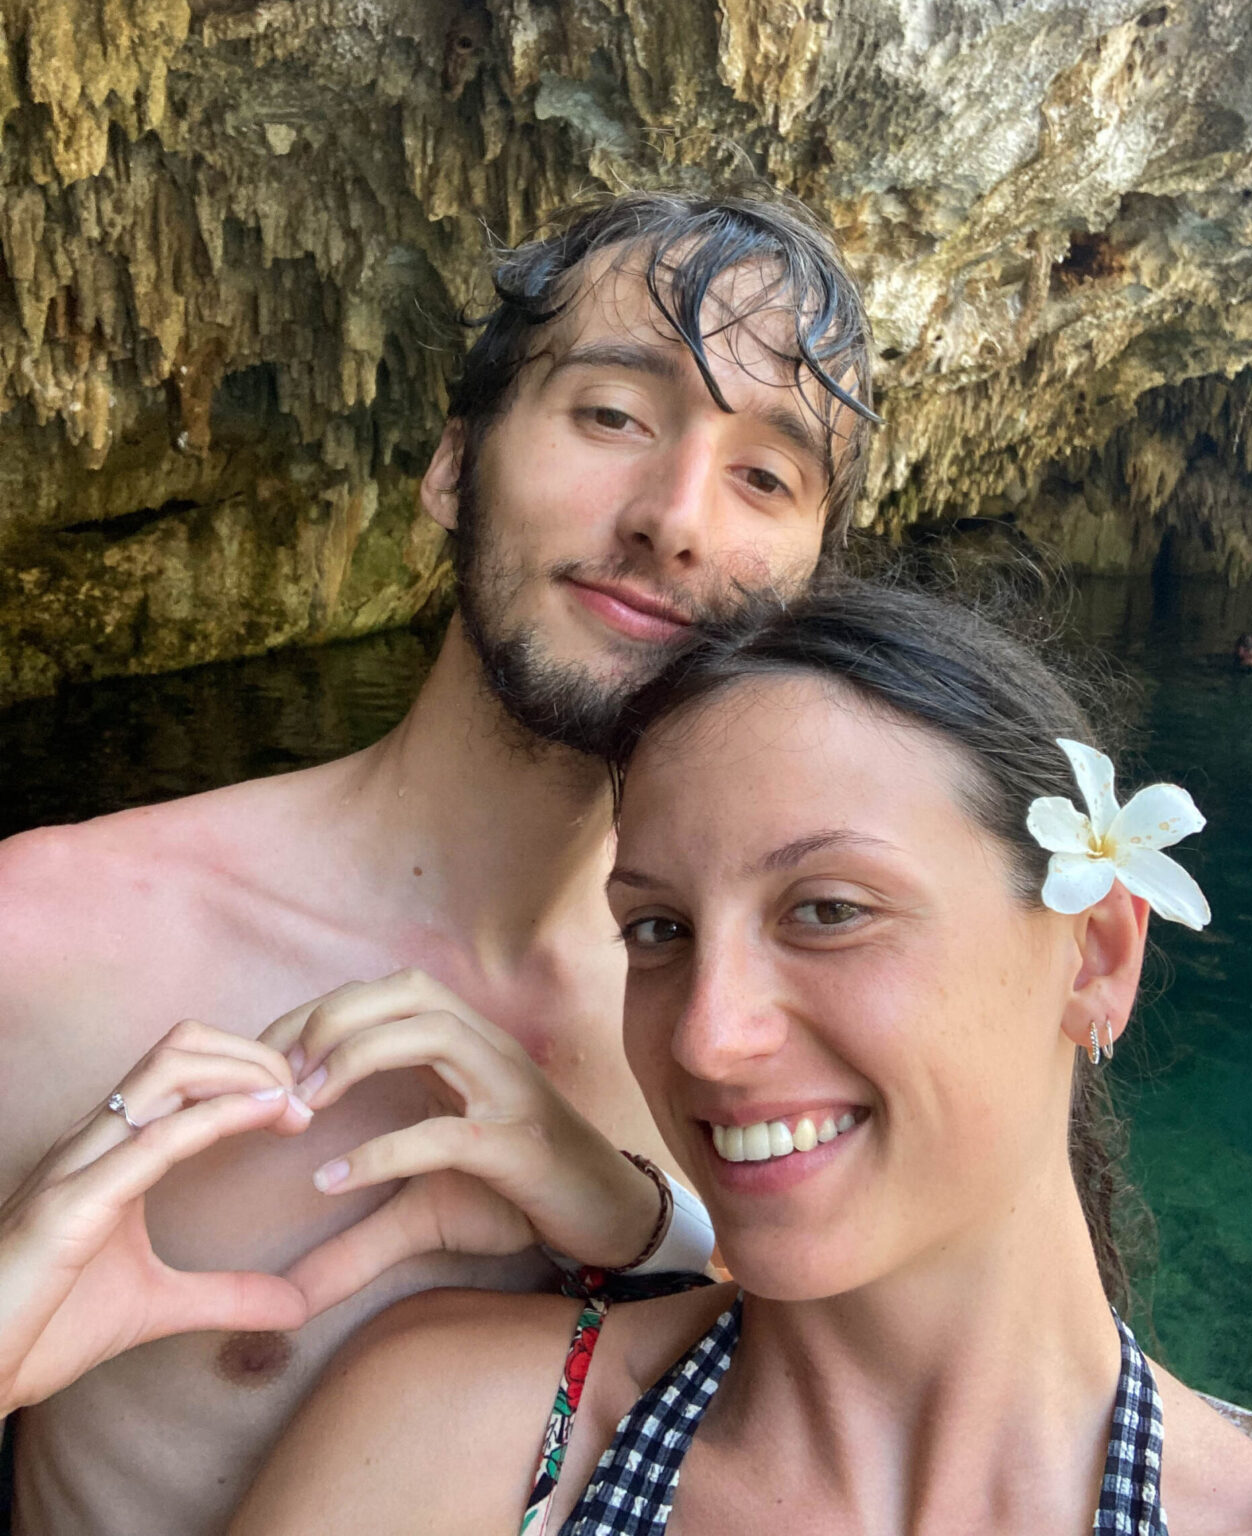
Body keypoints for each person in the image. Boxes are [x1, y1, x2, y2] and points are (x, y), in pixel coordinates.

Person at [0, 190, 878, 1535]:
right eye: (612, 416)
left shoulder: (775, 1042)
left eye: (766, 476)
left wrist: (646, 1226)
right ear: (455, 467)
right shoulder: (56, 937)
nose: (677, 520)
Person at [231, 578, 1252, 1536]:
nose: (704, 1037)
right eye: (657, 929)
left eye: (827, 910)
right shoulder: (459, 1438)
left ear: (1093, 955)